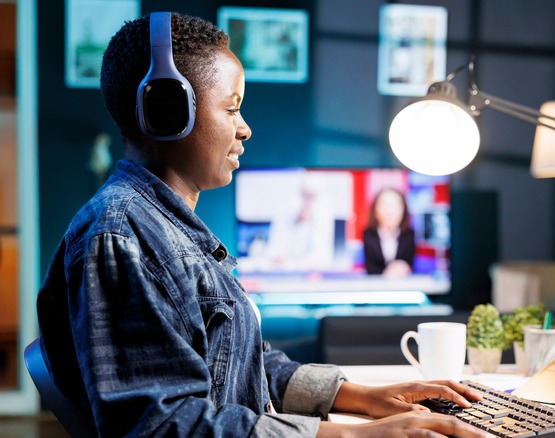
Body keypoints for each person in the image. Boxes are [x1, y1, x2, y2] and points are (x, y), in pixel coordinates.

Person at [35, 12, 487, 437]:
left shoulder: (164, 225)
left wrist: (363, 398)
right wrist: (354, 433)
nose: (245, 128)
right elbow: (163, 425)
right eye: (231, 109)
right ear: (168, 111)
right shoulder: (124, 238)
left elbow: (235, 363)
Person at [363, 187, 416, 277]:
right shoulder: (368, 235)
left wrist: (404, 268)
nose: (389, 211)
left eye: (395, 205)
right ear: (375, 210)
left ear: (404, 209)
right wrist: (388, 274)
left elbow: (411, 265)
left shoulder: (409, 235)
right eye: (384, 205)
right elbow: (371, 269)